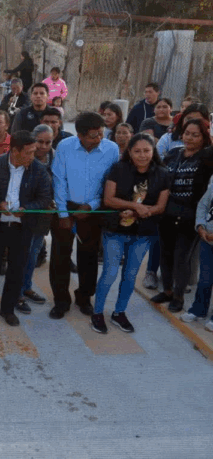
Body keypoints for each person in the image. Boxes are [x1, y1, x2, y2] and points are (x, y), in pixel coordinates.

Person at [91, 134, 170, 334]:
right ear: (129, 152)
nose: (142, 155)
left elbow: (160, 206)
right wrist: (133, 206)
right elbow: (109, 199)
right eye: (137, 151)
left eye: (146, 151)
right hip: (116, 230)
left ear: (153, 152)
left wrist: (138, 212)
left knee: (130, 274)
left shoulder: (163, 173)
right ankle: (98, 312)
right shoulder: (118, 169)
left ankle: (119, 312)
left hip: (144, 233)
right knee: (109, 273)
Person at [0, 131, 52, 327]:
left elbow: (44, 199)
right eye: (28, 152)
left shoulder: (39, 170)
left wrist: (28, 209)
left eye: (34, 152)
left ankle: (8, 309)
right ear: (15, 151)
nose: (32, 156)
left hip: (22, 227)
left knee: (17, 269)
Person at [49, 112, 120, 319]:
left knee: (88, 257)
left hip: (94, 209)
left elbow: (110, 184)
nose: (98, 139)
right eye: (93, 136)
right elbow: (59, 180)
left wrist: (90, 206)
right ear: (79, 135)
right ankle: (61, 301)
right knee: (60, 257)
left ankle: (84, 297)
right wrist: (63, 213)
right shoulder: (65, 146)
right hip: (66, 206)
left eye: (101, 134)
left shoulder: (111, 149)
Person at [151, 118, 213, 313]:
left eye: (196, 135)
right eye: (187, 133)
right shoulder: (173, 153)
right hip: (167, 211)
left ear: (204, 137)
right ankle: (167, 290)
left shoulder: (207, 158)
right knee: (165, 254)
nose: (190, 138)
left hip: (190, 214)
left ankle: (178, 296)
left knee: (181, 257)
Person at [16, 124, 56, 314]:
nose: (43, 146)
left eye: (48, 142)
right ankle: (16, 293)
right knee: (21, 255)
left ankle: (27, 287)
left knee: (33, 255)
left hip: (42, 216)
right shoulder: (23, 160)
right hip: (23, 215)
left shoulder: (55, 159)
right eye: (39, 142)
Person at [184, 173, 213, 330]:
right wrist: (200, 226)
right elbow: (203, 205)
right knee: (205, 279)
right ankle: (198, 310)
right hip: (207, 240)